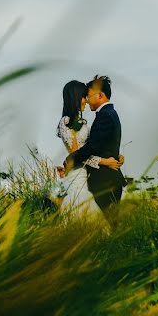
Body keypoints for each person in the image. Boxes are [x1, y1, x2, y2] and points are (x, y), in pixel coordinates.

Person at [58, 75, 127, 228]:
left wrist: (115, 156)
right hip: (80, 176)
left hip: (94, 176)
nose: (86, 100)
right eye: (84, 96)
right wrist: (104, 161)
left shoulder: (95, 119)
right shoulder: (66, 122)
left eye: (87, 96)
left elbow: (94, 145)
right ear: (75, 98)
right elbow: (81, 151)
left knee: (102, 222)